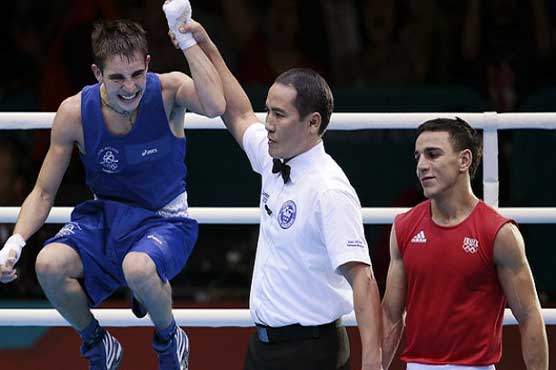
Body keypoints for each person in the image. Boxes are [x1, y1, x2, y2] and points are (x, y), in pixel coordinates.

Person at [0, 0, 225, 369]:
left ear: (148, 65)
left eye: (137, 74)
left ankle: (170, 337)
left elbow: (216, 105)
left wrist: (186, 39)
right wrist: (15, 241)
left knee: (138, 268)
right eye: (117, 77)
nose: (130, 87)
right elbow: (43, 191)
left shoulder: (169, 91)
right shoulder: (74, 113)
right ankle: (97, 343)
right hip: (106, 220)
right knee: (48, 264)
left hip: (164, 221)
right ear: (96, 73)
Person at [173, 20, 383, 370]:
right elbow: (238, 111)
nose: (267, 122)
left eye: (279, 114)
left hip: (312, 352)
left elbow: (362, 278)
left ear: (312, 123)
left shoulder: (329, 188)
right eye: (268, 110)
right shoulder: (275, 157)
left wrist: (373, 364)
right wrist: (204, 46)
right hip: (263, 347)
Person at [382, 118, 548, 370]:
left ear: (464, 160)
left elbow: (529, 315)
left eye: (433, 154)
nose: (421, 165)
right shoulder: (404, 226)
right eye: (418, 157)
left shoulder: (498, 233)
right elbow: (391, 316)